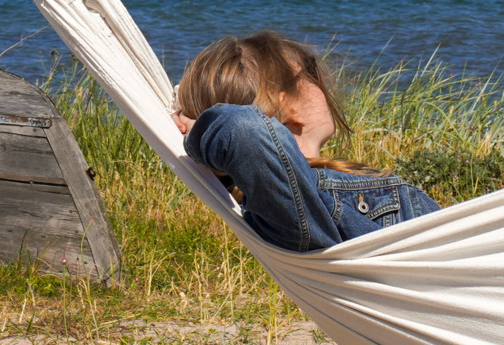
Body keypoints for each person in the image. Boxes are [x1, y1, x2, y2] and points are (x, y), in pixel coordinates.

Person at [172, 31, 440, 252]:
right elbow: (244, 129)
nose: (323, 81)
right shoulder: (299, 204)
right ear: (287, 105)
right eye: (310, 72)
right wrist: (201, 131)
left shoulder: (292, 199)